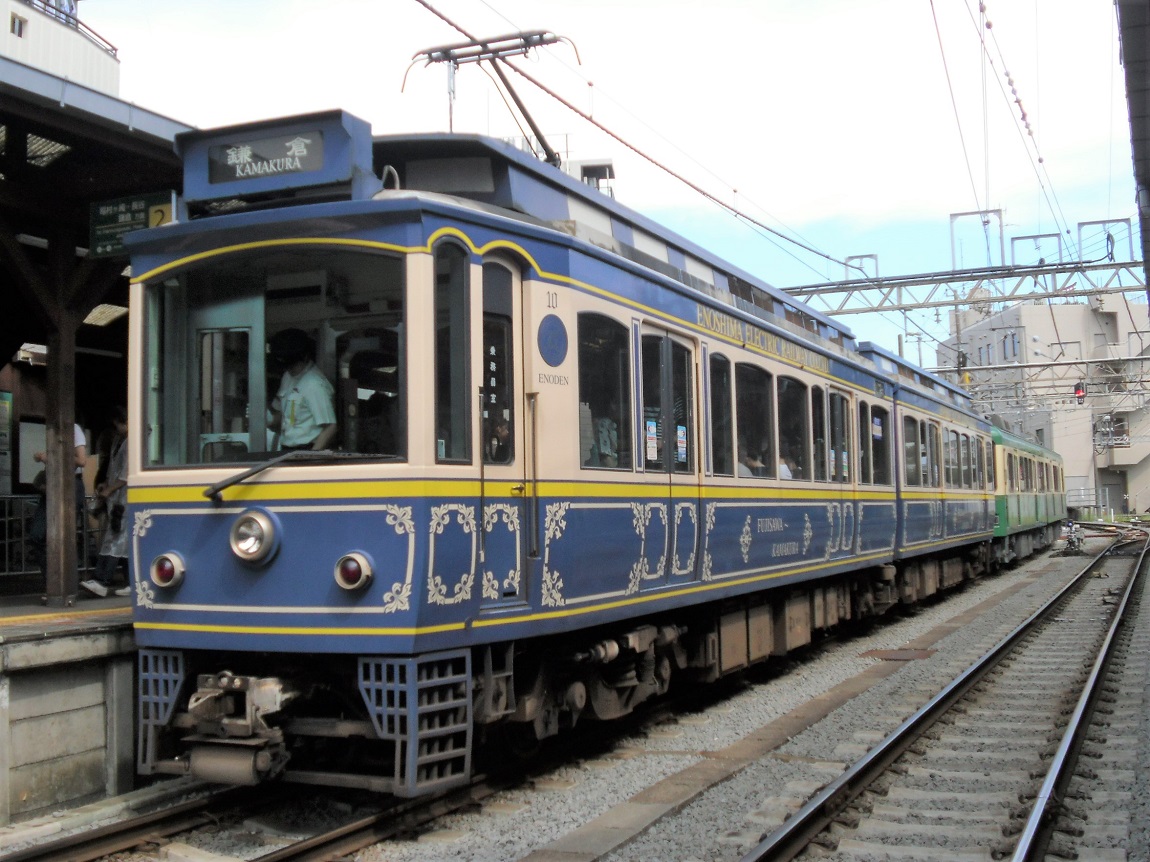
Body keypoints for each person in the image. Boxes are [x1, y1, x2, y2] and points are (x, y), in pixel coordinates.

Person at [81, 407, 130, 597]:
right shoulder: (120, 441)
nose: (117, 428)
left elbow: (126, 473)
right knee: (123, 541)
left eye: (118, 423)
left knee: (115, 539)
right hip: (118, 498)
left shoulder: (131, 442)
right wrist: (106, 484)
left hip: (123, 499)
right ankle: (131, 581)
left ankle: (102, 579)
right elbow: (116, 470)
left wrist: (109, 488)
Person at [268, 328, 336, 452]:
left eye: (293, 365)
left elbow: (330, 426)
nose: (289, 369)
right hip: (286, 449)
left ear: (304, 357)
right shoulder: (287, 377)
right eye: (286, 366)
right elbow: (280, 415)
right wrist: (267, 419)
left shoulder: (314, 384)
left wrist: (312, 457)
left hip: (307, 449)